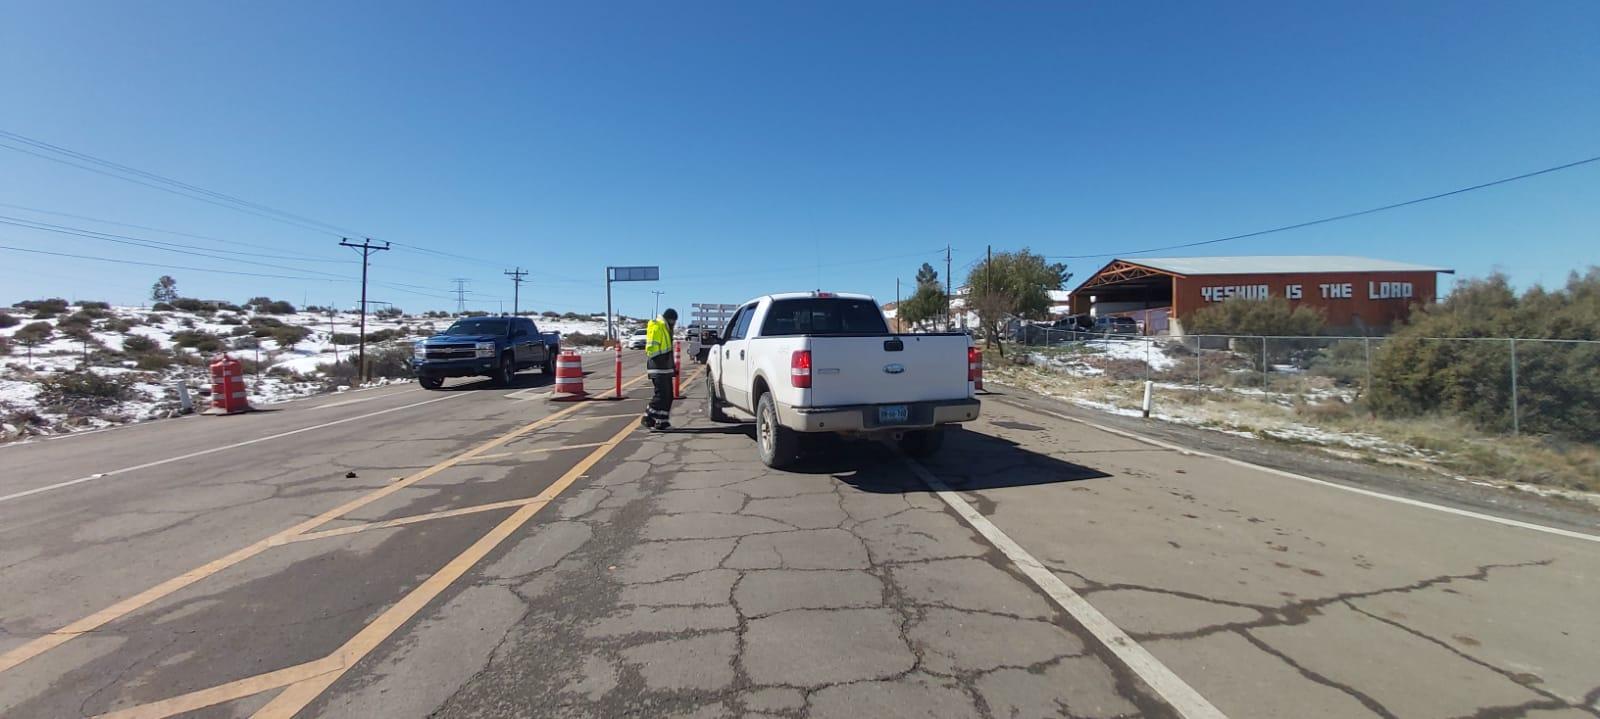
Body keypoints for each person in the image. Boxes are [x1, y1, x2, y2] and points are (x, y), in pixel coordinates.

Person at [641, 308, 678, 430]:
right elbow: (651, 348)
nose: (674, 324)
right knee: (661, 395)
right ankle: (648, 416)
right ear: (669, 319)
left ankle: (662, 421)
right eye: (673, 321)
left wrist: (672, 368)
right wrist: (661, 361)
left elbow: (668, 350)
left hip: (665, 368)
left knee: (668, 396)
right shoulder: (658, 326)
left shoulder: (666, 329)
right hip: (657, 368)